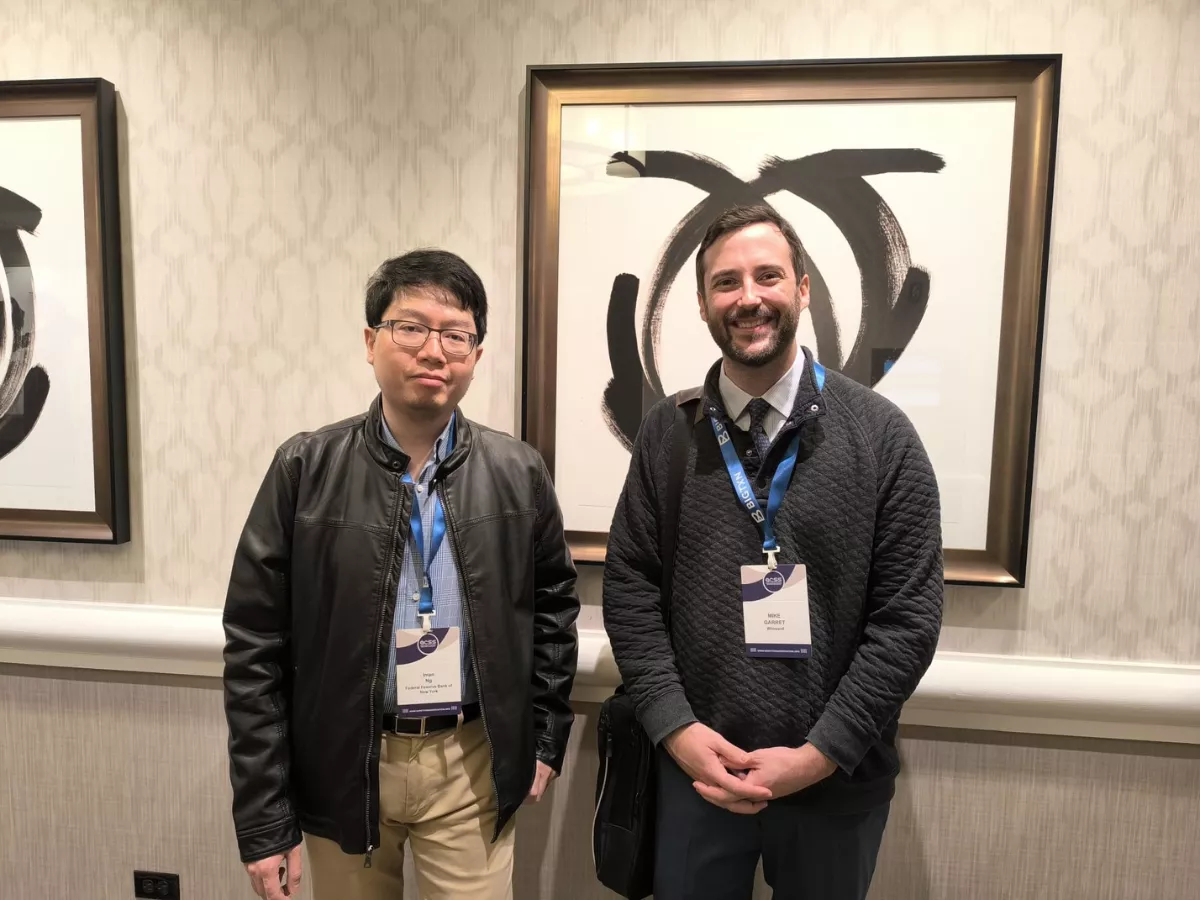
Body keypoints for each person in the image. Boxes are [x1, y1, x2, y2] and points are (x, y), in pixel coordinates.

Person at [602, 204, 943, 900]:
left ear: (803, 288)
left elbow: (908, 620)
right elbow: (630, 589)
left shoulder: (883, 437)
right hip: (696, 777)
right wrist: (676, 729)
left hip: (834, 781)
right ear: (703, 303)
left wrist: (820, 754)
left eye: (768, 276)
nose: (748, 297)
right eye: (726, 282)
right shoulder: (666, 434)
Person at [222, 248, 580, 900]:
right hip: (345, 761)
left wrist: (547, 738)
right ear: (371, 341)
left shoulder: (518, 471)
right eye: (411, 328)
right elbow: (254, 644)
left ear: (475, 353)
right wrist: (265, 817)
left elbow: (554, 609)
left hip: (470, 759)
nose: (434, 351)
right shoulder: (305, 469)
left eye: (456, 335)